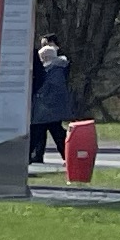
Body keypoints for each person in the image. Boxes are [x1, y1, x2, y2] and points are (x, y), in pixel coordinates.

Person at [28, 38, 75, 167]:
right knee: (53, 132)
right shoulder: (59, 68)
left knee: (40, 131)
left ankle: (30, 156)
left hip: (48, 107)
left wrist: (38, 95)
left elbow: (49, 88)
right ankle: (67, 155)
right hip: (51, 108)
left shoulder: (54, 70)